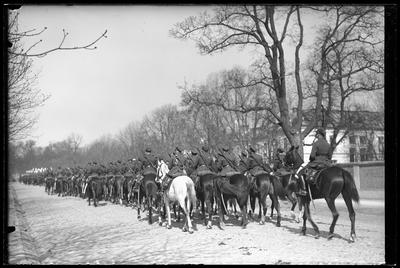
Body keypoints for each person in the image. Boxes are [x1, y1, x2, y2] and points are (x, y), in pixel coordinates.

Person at [297, 127, 332, 196]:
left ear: (318, 135)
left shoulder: (316, 143)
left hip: (317, 162)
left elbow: (312, 156)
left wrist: (311, 159)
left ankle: (303, 190)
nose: (316, 136)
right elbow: (330, 156)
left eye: (317, 134)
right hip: (327, 163)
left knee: (301, 172)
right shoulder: (328, 144)